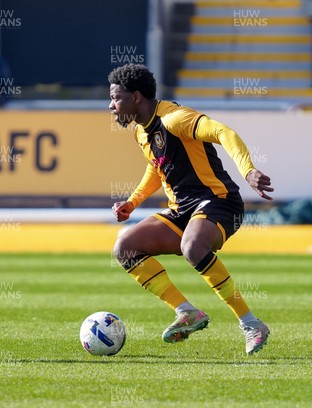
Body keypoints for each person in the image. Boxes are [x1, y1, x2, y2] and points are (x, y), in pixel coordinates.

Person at [108, 64, 273, 355]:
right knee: (124, 247)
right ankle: (187, 312)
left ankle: (250, 323)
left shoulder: (174, 118)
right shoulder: (141, 132)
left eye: (116, 98)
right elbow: (156, 167)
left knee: (192, 246)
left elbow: (224, 132)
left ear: (136, 97)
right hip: (182, 210)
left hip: (219, 201)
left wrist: (248, 170)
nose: (111, 105)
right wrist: (133, 201)